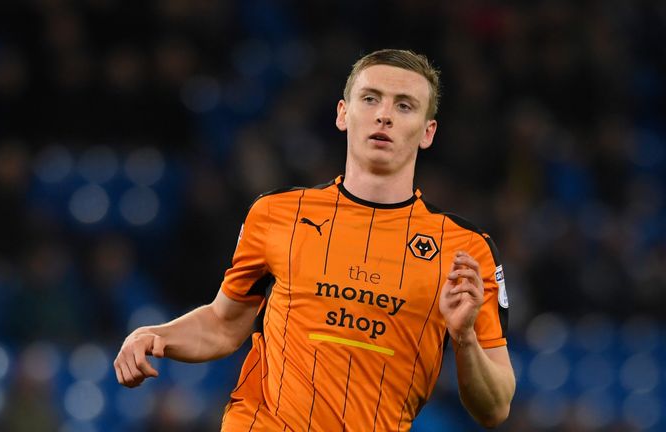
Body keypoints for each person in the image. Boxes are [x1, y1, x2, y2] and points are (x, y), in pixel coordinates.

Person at [114, 48, 515, 430]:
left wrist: (463, 341)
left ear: (427, 132)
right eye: (370, 99)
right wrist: (155, 335)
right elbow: (223, 324)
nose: (384, 116)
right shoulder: (276, 214)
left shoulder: (465, 249)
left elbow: (495, 408)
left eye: (404, 105)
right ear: (343, 113)